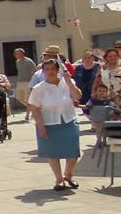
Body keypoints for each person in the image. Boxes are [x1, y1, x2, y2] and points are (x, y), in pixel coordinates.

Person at [28, 59, 82, 191]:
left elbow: (77, 96)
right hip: (49, 122)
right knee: (53, 153)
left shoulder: (67, 83)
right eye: (47, 69)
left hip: (68, 119)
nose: (50, 72)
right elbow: (34, 108)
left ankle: (68, 175)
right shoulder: (38, 88)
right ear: (43, 71)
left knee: (73, 152)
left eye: (53, 69)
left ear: (57, 70)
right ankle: (59, 179)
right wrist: (40, 126)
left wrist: (69, 81)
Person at [93, 47, 121, 116]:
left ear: (118, 56)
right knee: (111, 118)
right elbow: (97, 80)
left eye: (115, 56)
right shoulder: (102, 67)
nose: (113, 57)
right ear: (106, 57)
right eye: (110, 56)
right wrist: (94, 92)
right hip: (107, 97)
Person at [85, 84, 113, 149]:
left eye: (104, 91)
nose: (101, 92)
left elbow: (113, 108)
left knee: (105, 131)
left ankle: (105, 141)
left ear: (106, 93)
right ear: (96, 92)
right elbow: (86, 106)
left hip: (106, 119)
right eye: (99, 91)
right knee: (98, 131)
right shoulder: (92, 100)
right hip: (97, 119)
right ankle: (99, 141)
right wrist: (79, 105)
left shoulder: (108, 101)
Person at [14, 48, 38, 121]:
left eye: (16, 53)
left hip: (28, 82)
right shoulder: (17, 62)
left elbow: (35, 71)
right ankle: (32, 108)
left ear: (22, 53)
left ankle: (27, 116)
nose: (15, 55)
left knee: (28, 99)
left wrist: (33, 81)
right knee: (18, 97)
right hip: (20, 82)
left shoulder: (29, 61)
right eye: (15, 53)